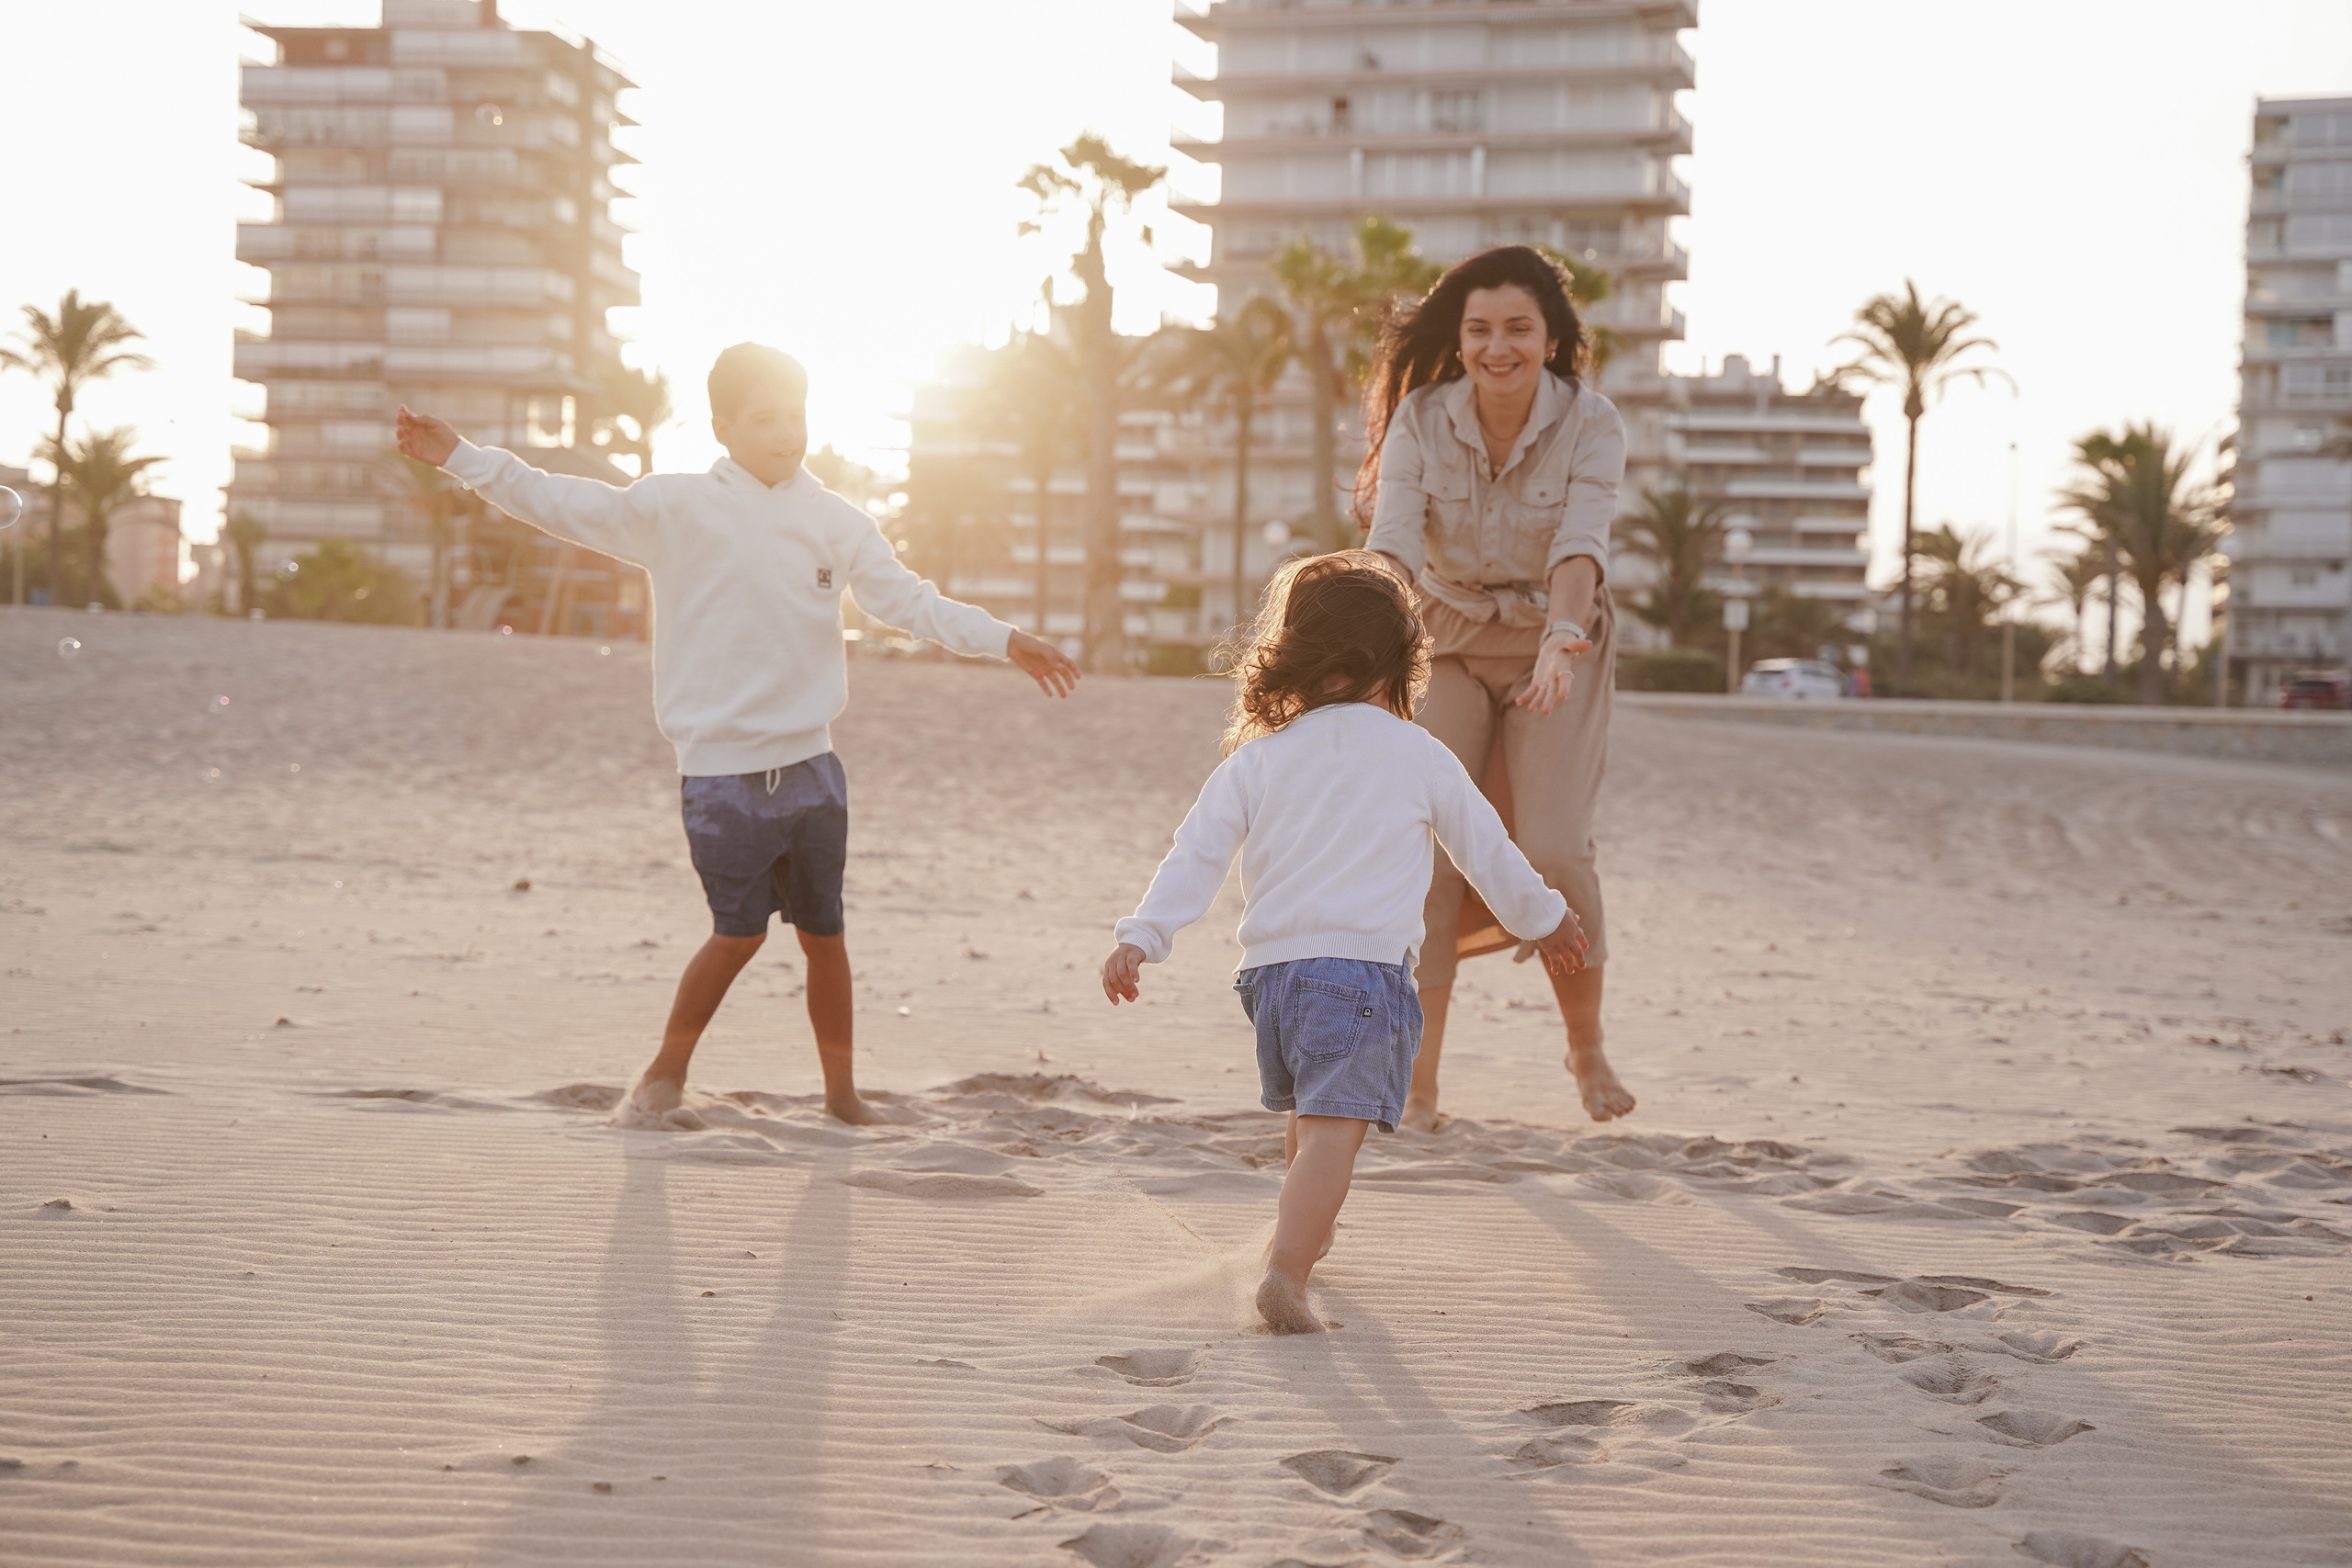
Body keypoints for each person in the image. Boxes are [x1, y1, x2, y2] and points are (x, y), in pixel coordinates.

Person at [394, 343, 1081, 1125]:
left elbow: (908, 600)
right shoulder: (675, 507)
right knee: (738, 935)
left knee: (827, 937)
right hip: (722, 775)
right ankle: (660, 1079)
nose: (787, 432)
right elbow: (559, 501)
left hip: (815, 769)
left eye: (797, 415)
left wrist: (1005, 638)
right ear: (722, 427)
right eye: (765, 418)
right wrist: (460, 456)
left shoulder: (836, 521)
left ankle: (842, 1097)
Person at [1100, 552, 1586, 1334]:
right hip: (1359, 974)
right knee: (1334, 1132)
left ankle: (1304, 1242)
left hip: (1270, 980)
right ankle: (1286, 1270)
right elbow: (1488, 852)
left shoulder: (1256, 758)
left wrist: (1144, 935)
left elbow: (1194, 852)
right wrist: (1549, 916)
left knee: (1310, 1116)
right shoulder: (1419, 753)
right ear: (1402, 660)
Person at [1358, 244, 1637, 1130]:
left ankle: (1585, 1045)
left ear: (1551, 338)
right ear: (1461, 338)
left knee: (1552, 848)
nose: (1497, 346)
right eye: (1479, 329)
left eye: (1518, 327)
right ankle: (1420, 1078)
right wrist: (1369, 643)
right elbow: (1396, 543)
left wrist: (1561, 638)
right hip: (1445, 636)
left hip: (1558, 640)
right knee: (1433, 851)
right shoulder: (1421, 417)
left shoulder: (1593, 423)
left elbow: (1580, 544)